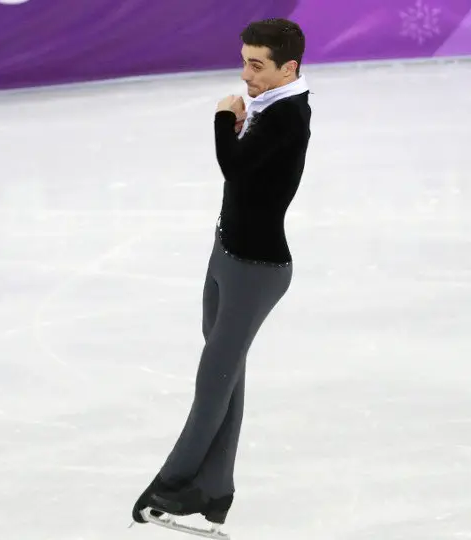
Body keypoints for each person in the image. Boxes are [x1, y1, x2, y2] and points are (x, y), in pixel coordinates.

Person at [131, 17, 311, 533]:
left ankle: (169, 490)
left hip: (256, 271)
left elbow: (233, 169)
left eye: (257, 65)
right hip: (227, 255)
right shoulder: (271, 107)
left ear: (288, 68)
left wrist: (220, 119)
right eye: (244, 61)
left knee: (213, 385)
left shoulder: (288, 115)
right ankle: (209, 492)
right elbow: (249, 172)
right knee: (225, 383)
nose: (246, 74)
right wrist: (240, 124)